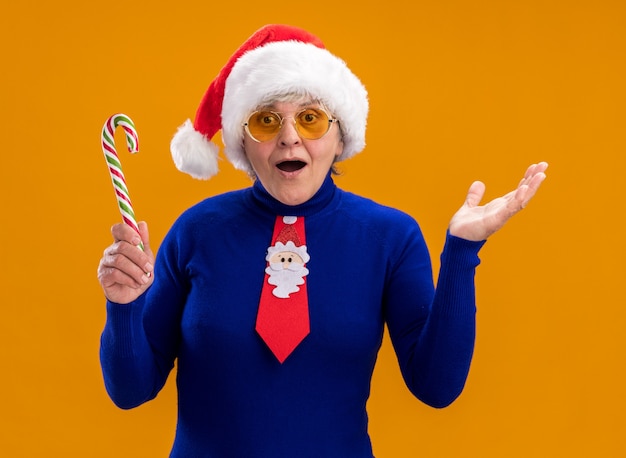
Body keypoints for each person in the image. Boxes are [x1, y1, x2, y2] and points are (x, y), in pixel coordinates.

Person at [97, 24, 548, 457]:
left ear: (340, 134)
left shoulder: (391, 237)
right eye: (267, 119)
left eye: (310, 119)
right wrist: (124, 306)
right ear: (242, 138)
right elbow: (130, 390)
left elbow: (437, 387)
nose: (289, 137)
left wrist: (461, 253)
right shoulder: (195, 232)